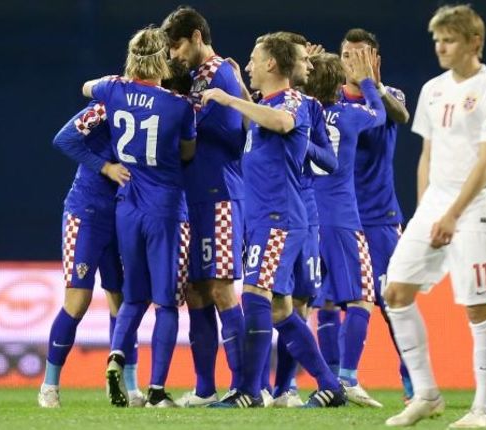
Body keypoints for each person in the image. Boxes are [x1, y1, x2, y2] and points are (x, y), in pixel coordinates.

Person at [383, 4, 486, 428]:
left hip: (475, 210)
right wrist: (427, 210)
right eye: (437, 40)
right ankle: (426, 394)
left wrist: (453, 214)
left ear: (474, 42)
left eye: (450, 39)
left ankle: (483, 409)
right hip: (435, 207)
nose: (441, 47)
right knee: (395, 293)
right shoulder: (432, 89)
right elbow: (427, 154)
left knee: (478, 308)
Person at [200, 35, 345, 408]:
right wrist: (245, 100)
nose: (247, 66)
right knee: (280, 309)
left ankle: (249, 391)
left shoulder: (291, 102)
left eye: (252, 59)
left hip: (278, 217)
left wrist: (230, 99)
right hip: (269, 217)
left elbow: (282, 122)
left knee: (255, 296)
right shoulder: (267, 104)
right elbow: (270, 119)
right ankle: (330, 386)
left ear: (270, 65)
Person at [82, 26, 196, 408]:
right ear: (163, 59)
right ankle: (157, 390)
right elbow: (187, 151)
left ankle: (116, 355)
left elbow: (87, 87)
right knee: (166, 303)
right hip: (165, 209)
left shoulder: (112, 89)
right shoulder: (179, 106)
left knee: (132, 297)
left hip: (126, 206)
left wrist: (117, 82)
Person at [161, 6, 247, 407]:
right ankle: (204, 389)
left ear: (196, 36)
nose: (173, 55)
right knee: (196, 292)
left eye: (176, 45)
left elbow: (214, 131)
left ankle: (245, 388)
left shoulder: (218, 75)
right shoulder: (195, 78)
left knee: (222, 289)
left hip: (219, 196)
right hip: (193, 199)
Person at [39, 101, 144, 408]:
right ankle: (49, 385)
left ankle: (130, 387)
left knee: (122, 302)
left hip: (123, 214)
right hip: (85, 213)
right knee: (77, 301)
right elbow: (64, 138)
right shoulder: (108, 104)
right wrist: (105, 166)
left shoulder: (156, 109)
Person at [334, 27, 414, 403]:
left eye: (361, 54)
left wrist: (373, 85)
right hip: (336, 219)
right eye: (347, 55)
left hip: (379, 219)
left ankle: (412, 376)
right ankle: (336, 380)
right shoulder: (328, 100)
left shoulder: (388, 95)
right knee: (329, 303)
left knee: (392, 301)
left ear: (375, 59)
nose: (353, 62)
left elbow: (400, 115)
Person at [307, 49, 387, 408]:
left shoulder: (301, 113)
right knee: (362, 298)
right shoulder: (352, 115)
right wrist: (368, 80)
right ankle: (347, 378)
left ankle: (306, 382)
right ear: (339, 84)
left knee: (316, 300)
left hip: (309, 218)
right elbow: (380, 113)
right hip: (342, 218)